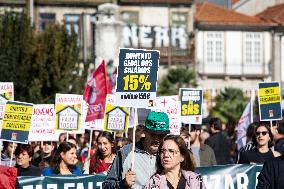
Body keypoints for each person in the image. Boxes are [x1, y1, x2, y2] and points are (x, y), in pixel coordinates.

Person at [103, 111, 170, 189]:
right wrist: (123, 184)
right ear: (145, 132)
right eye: (153, 134)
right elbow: (106, 185)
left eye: (161, 135)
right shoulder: (126, 152)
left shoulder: (169, 154)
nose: (157, 139)